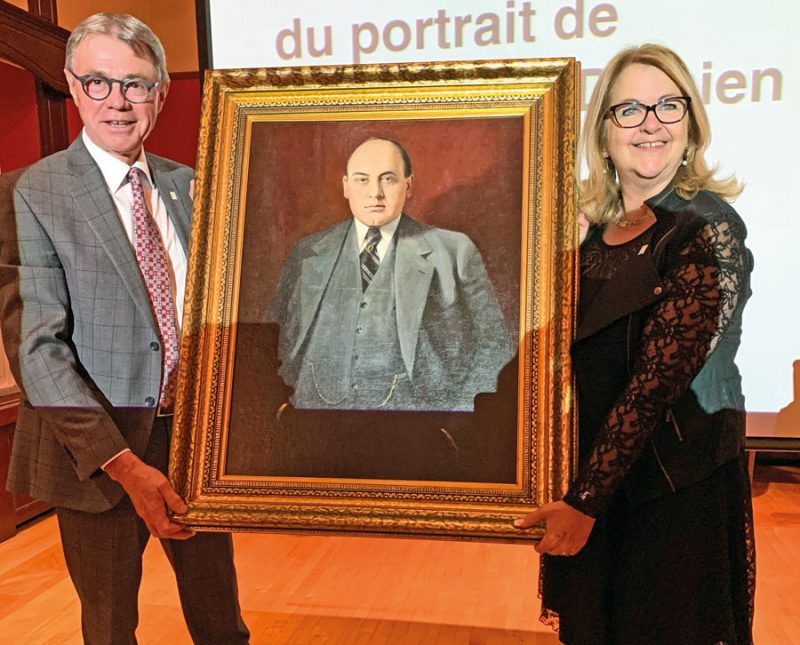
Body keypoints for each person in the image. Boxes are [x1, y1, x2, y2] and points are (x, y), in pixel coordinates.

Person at [0, 13, 249, 643]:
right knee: (110, 630)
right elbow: (37, 351)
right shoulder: (29, 191)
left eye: (136, 85)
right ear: (72, 85)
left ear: (161, 92)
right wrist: (123, 465)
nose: (118, 101)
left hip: (195, 447)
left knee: (222, 624)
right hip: (99, 456)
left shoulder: (194, 186)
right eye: (98, 82)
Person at [515, 44, 755, 644]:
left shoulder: (708, 225)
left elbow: (656, 385)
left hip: (669, 494)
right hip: (595, 482)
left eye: (667, 106)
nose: (651, 123)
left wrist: (586, 499)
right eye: (630, 110)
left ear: (691, 123)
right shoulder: (584, 232)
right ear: (603, 131)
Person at [266, 136, 513, 412]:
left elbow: (495, 345)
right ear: (345, 187)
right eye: (362, 180)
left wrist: (458, 414)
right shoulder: (308, 252)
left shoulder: (454, 251)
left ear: (408, 186)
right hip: (313, 424)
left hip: (415, 431)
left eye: (388, 179)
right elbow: (271, 343)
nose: (375, 193)